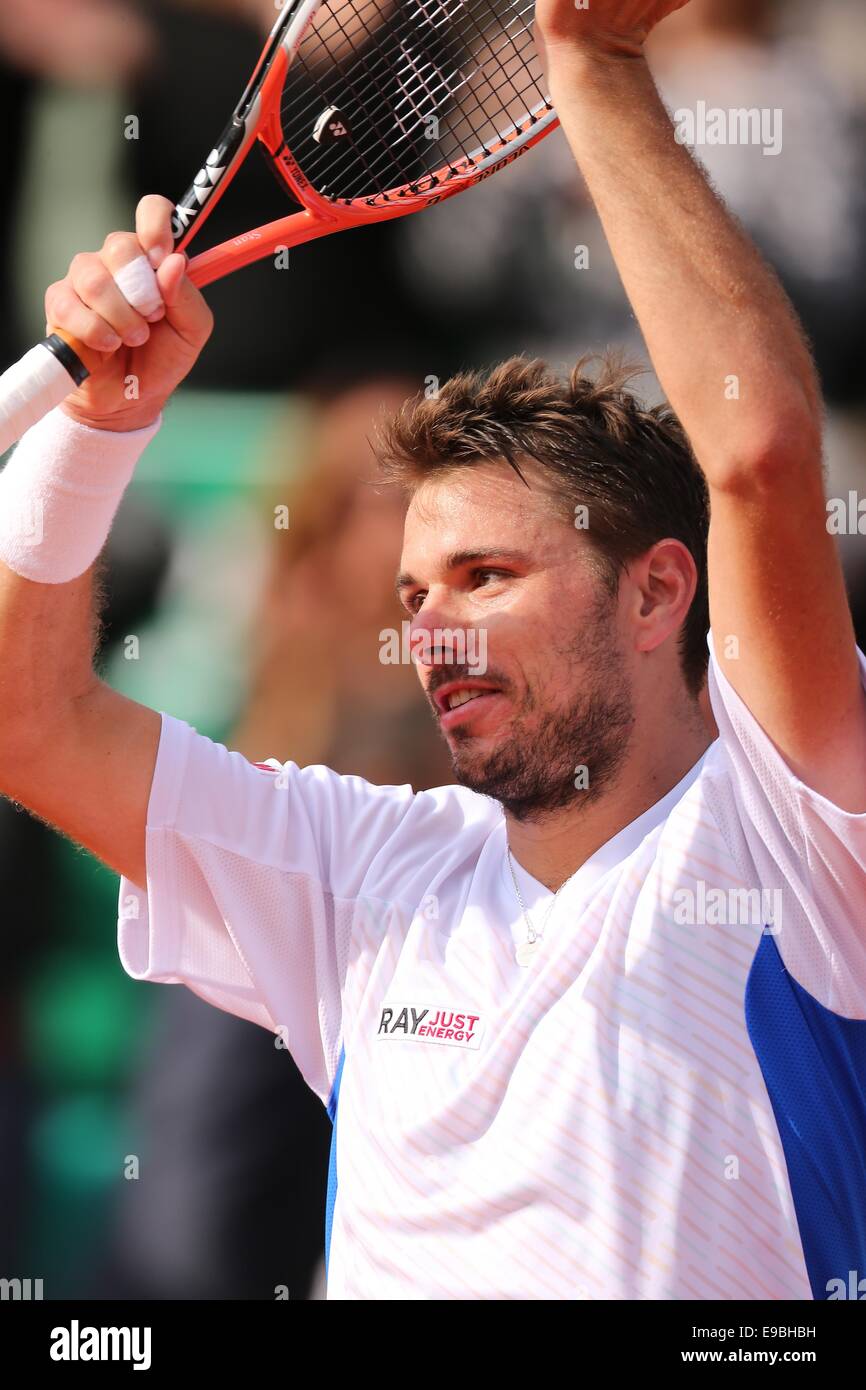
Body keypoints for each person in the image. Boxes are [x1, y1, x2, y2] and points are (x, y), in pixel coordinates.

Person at [1, 0, 865, 1301]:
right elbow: (30, 722)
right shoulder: (360, 871)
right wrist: (94, 428)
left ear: (655, 591)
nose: (430, 628)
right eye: (414, 589)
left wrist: (596, 64)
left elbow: (752, 452)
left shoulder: (788, 842)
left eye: (485, 575)